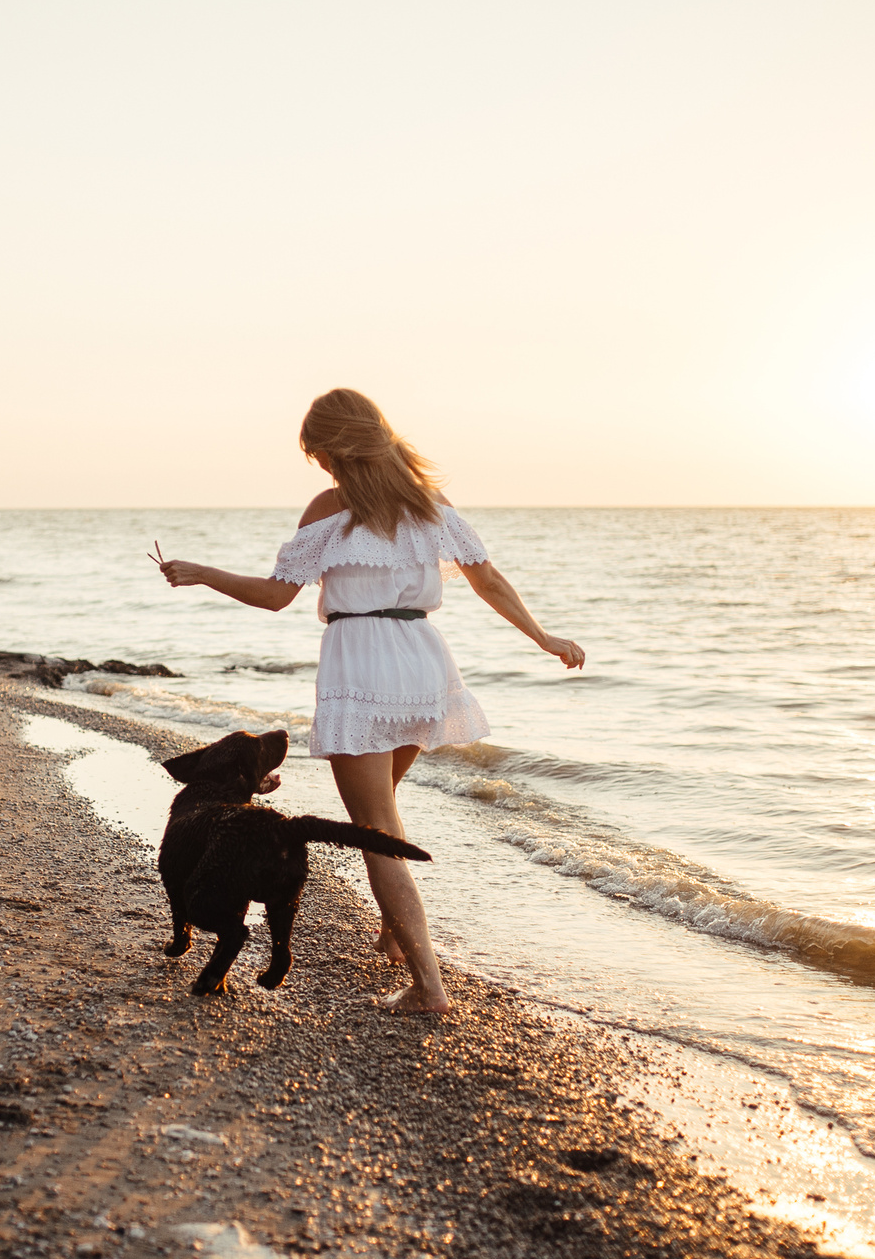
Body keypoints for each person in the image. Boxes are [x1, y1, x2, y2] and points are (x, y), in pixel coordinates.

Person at [157, 388, 584, 1014]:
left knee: (373, 830)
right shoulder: (428, 502)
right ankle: (393, 925)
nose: (321, 467)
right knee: (383, 810)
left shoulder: (331, 509)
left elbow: (278, 597)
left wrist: (203, 573)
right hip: (422, 661)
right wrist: (545, 638)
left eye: (321, 454)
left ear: (341, 447)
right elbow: (487, 579)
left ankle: (427, 987)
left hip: (361, 663)